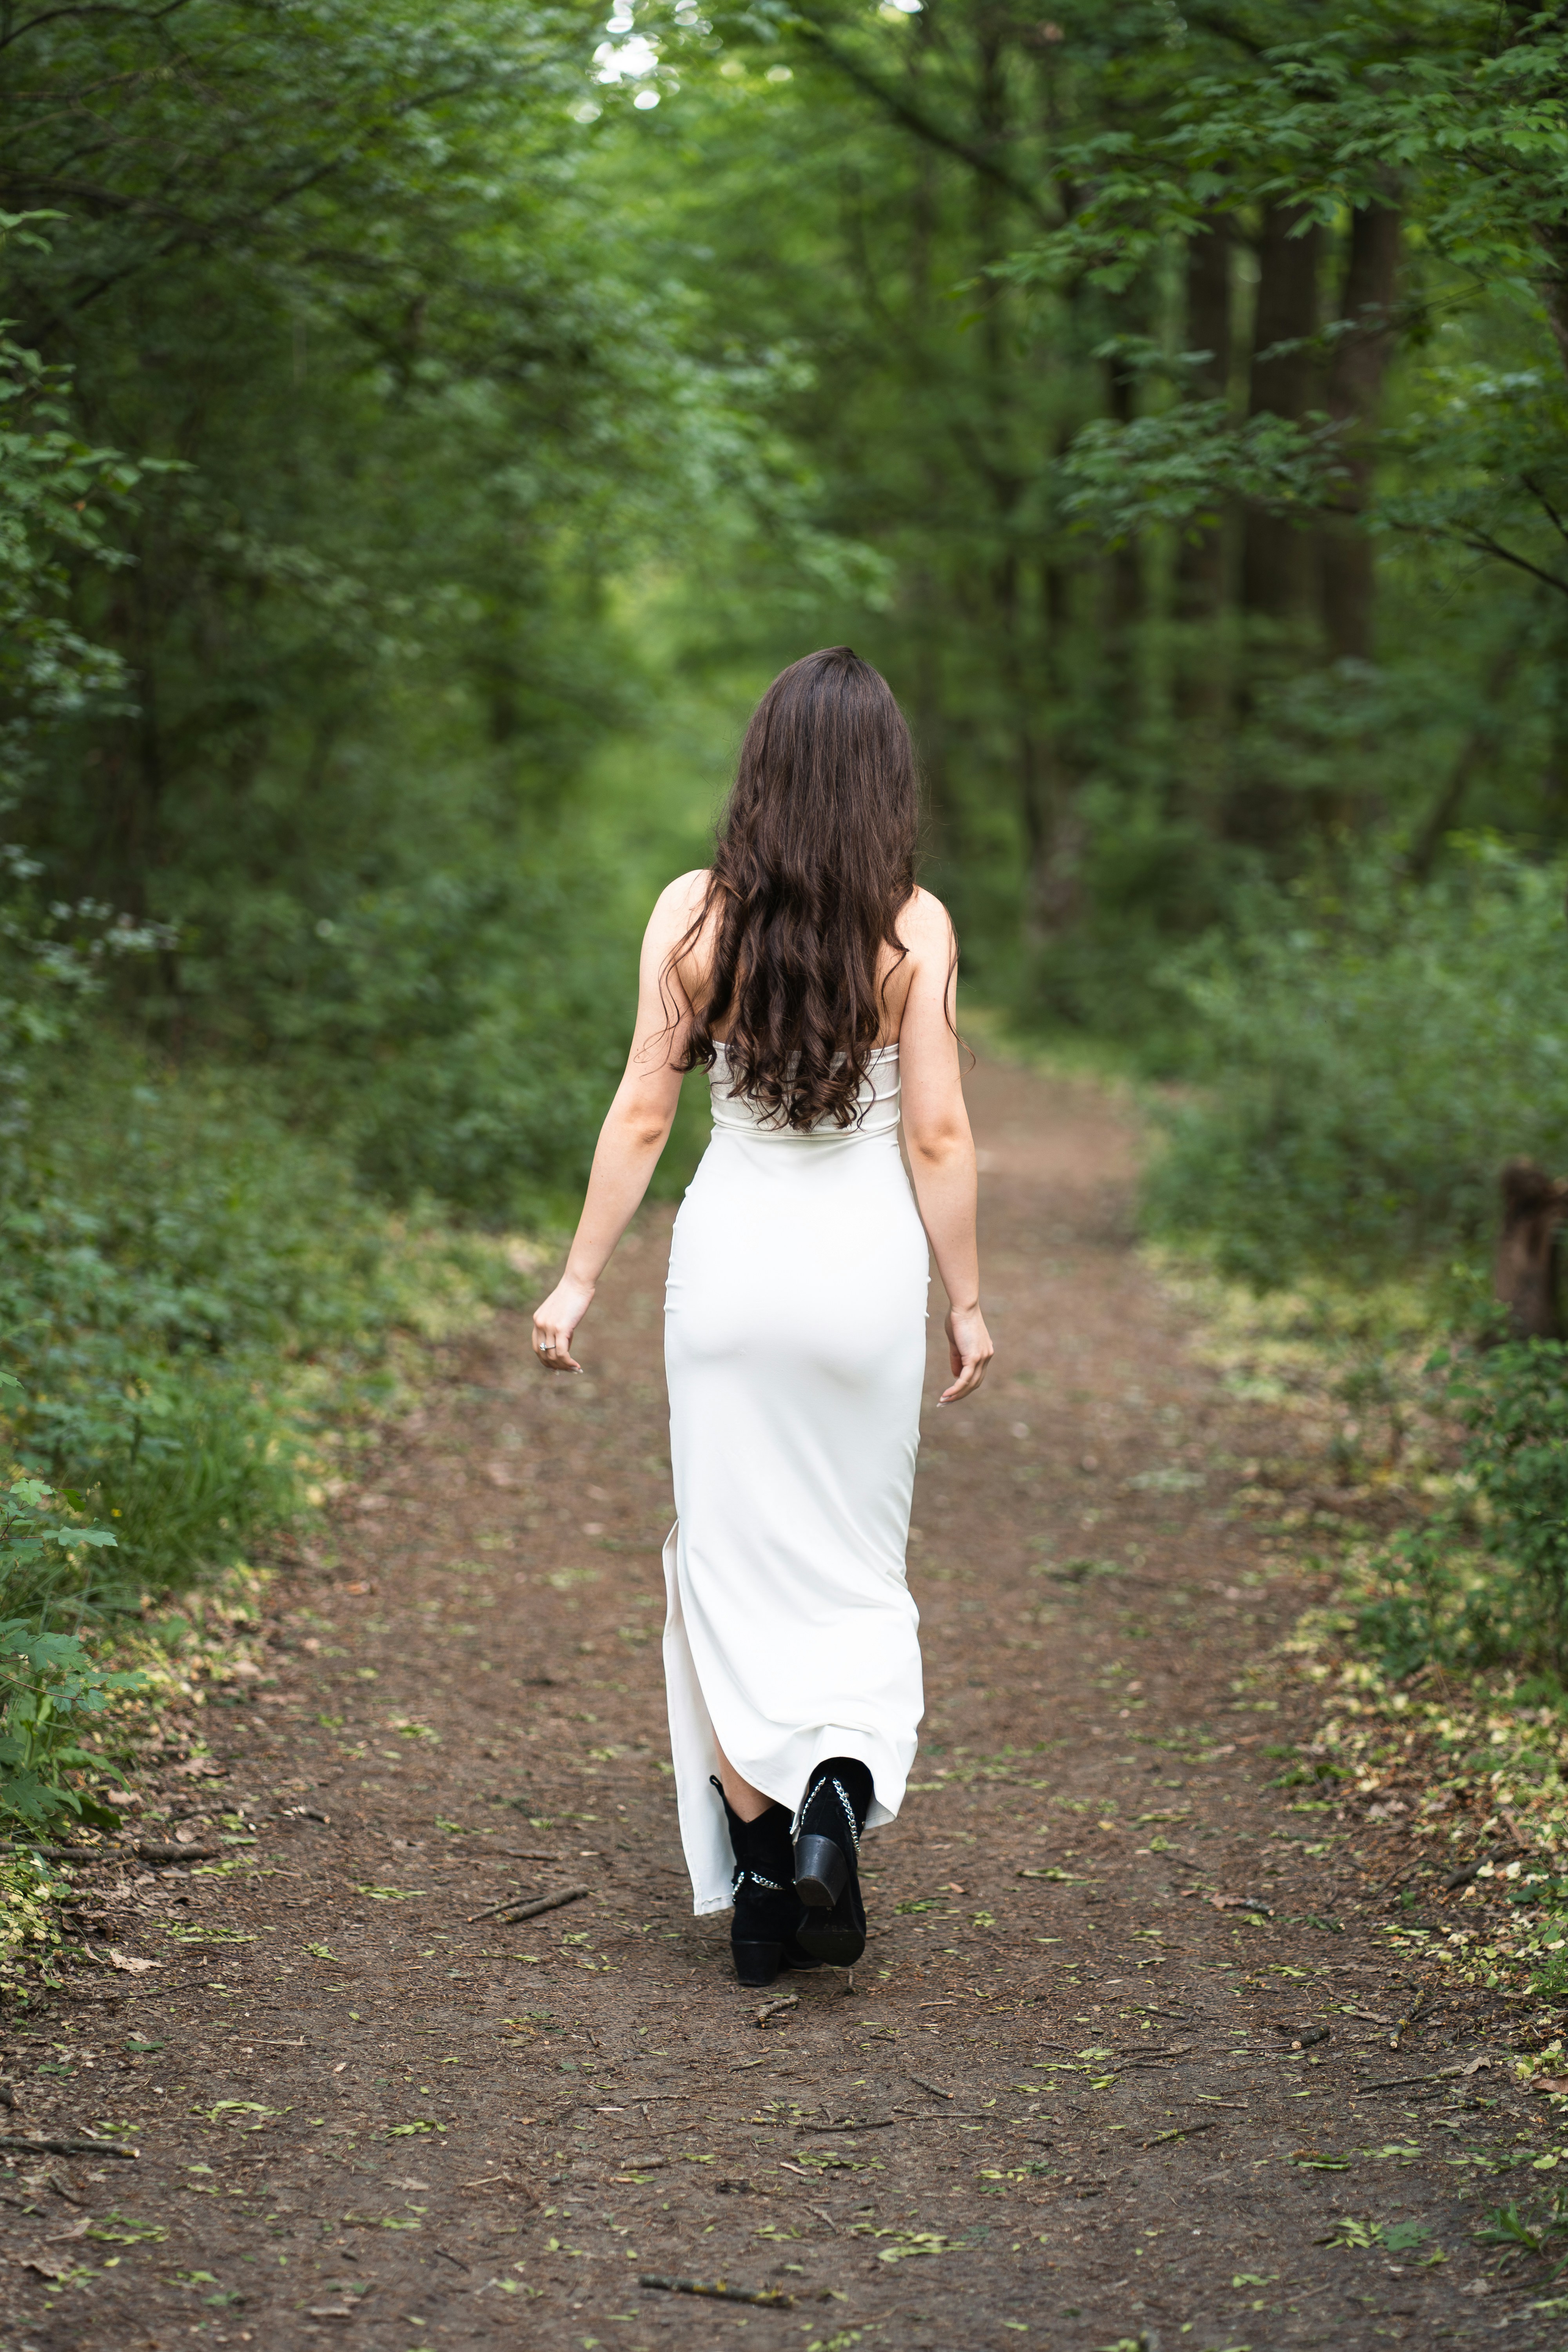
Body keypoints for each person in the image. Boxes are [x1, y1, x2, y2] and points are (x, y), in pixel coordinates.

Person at [531, 646, 993, 1986]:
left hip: (729, 1272)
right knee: (852, 1562)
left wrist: (578, 1279)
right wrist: (968, 1303)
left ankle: (758, 1886)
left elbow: (643, 1110)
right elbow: (940, 1137)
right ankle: (836, 1791)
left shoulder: (692, 914)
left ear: (763, 767)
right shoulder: (916, 927)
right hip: (862, 1280)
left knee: (725, 1570)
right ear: (883, 782)